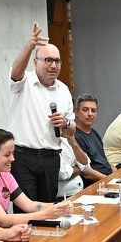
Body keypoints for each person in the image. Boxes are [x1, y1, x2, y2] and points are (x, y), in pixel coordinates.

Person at [0, 128, 73, 242]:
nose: (13, 159)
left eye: (13, 153)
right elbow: (2, 220)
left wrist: (58, 206)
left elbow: (28, 205)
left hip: (5, 237)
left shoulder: (4, 173)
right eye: (7, 155)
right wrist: (45, 215)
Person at [7, 21, 75, 202]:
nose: (53, 65)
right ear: (36, 62)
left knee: (48, 209)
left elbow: (71, 131)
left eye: (57, 61)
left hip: (51, 158)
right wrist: (30, 46)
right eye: (48, 60)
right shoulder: (23, 82)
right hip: (23, 158)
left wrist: (66, 124)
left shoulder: (63, 90)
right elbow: (15, 72)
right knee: (27, 211)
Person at [72, 93, 112, 178]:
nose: (90, 114)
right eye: (85, 110)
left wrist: (119, 176)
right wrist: (109, 180)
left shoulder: (94, 133)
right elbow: (87, 173)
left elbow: (105, 160)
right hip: (96, 183)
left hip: (108, 178)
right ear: (76, 112)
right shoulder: (74, 136)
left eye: (93, 110)